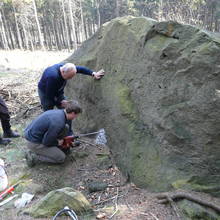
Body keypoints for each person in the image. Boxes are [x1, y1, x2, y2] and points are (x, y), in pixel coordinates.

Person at [24, 100, 82, 167]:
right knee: (61, 158)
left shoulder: (60, 113)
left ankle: (55, 148)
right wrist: (57, 143)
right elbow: (46, 142)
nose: (75, 117)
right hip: (34, 142)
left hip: (32, 134)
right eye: (76, 115)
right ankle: (33, 156)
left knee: (66, 127)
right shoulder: (58, 122)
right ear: (72, 113)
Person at [38, 62, 105, 111]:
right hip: (45, 92)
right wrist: (59, 102)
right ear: (63, 72)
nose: (71, 78)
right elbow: (49, 95)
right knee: (48, 108)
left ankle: (66, 127)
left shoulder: (66, 68)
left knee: (67, 108)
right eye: (69, 77)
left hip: (58, 90)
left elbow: (81, 69)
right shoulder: (53, 77)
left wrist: (93, 73)